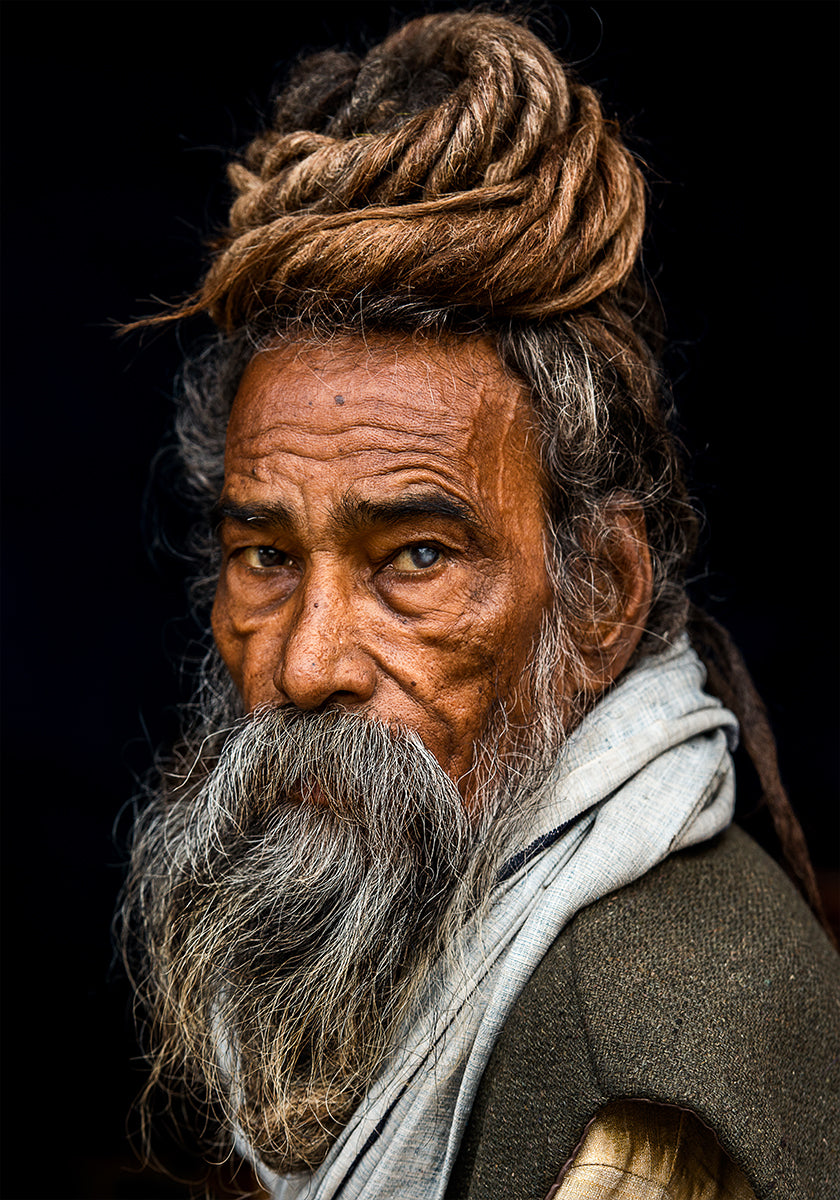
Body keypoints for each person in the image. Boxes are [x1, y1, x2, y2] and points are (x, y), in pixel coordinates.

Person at [120, 11, 840, 1199]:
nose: (305, 667)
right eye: (265, 555)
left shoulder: (629, 1095)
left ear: (600, 591)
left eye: (412, 558)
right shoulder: (434, 898)